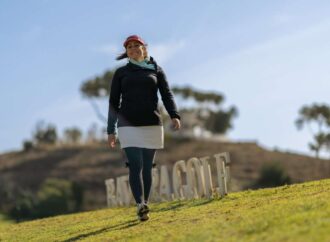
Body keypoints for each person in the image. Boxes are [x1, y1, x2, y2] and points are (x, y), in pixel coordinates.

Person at [107, 35, 181, 221]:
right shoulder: (121, 73)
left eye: (136, 45)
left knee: (148, 167)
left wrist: (174, 114)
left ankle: (145, 203)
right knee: (135, 165)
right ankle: (140, 203)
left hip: (152, 123)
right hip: (127, 125)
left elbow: (167, 94)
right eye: (129, 47)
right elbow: (113, 102)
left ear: (144, 48)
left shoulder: (156, 70)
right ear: (127, 52)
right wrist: (111, 129)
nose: (133, 48)